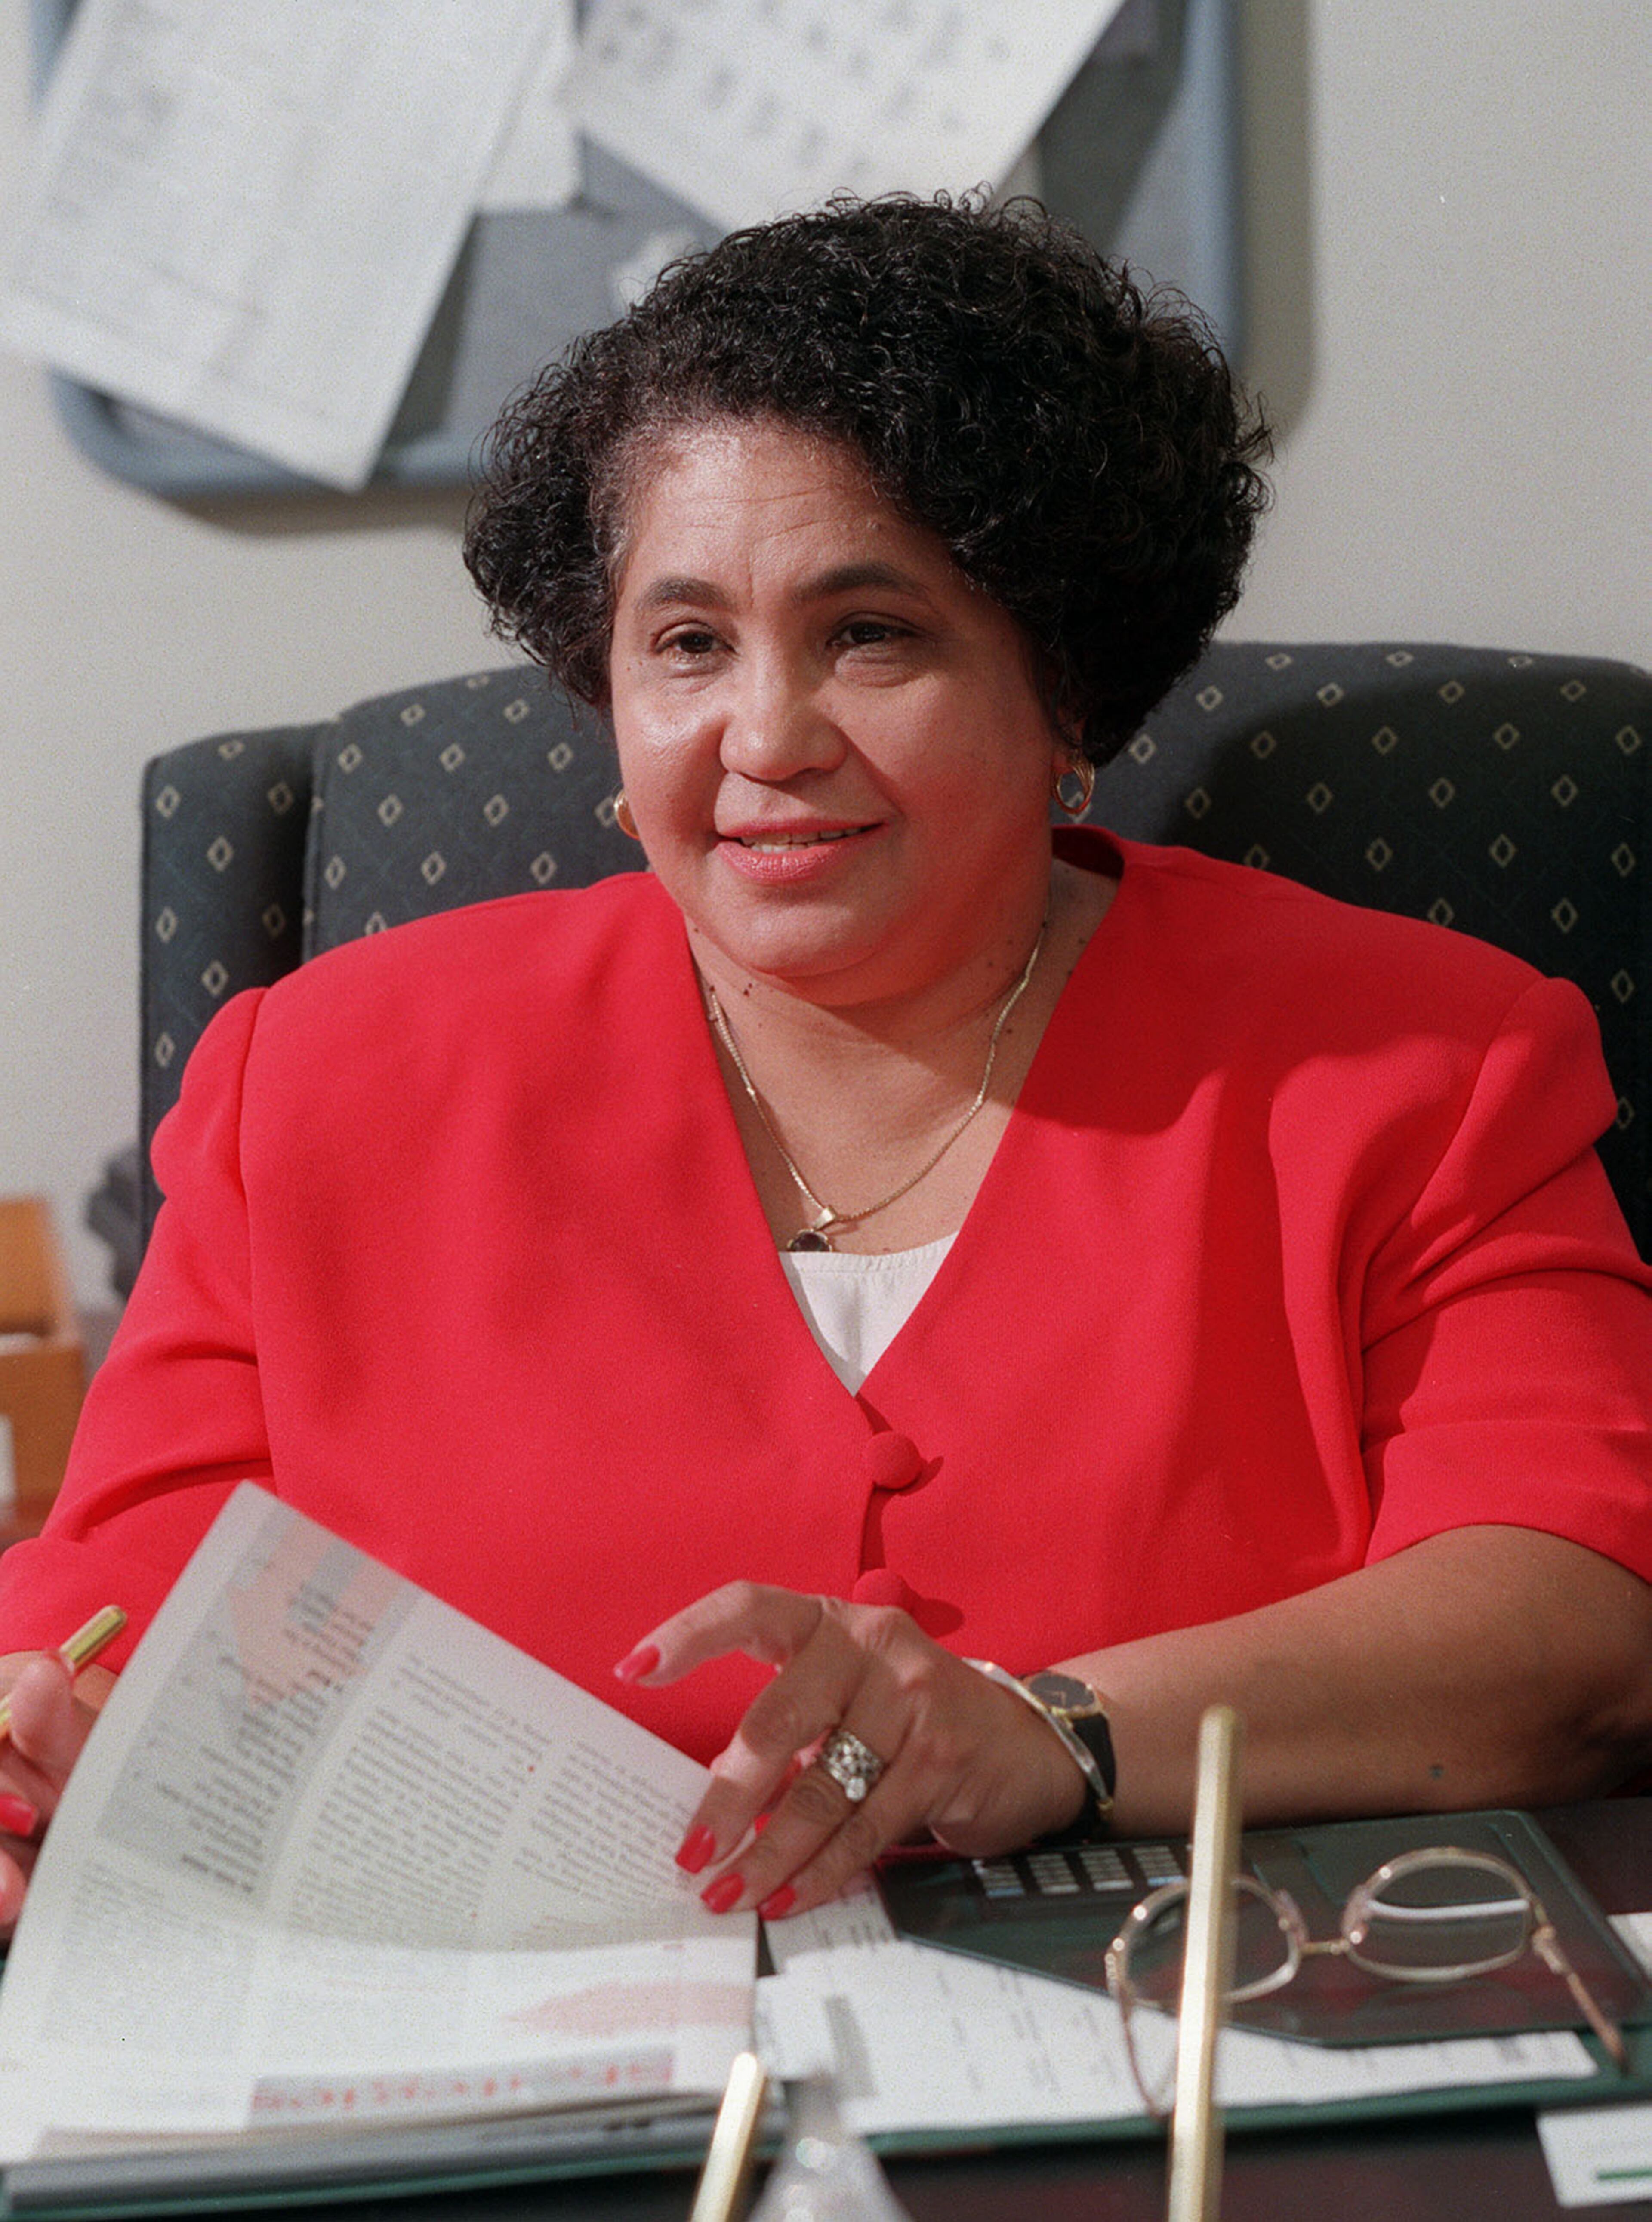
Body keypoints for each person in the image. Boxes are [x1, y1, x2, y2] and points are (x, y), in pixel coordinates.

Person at [3, 194, 1652, 1938]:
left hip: (1199, 2041)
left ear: (1068, 682)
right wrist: (39, 1732)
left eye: (872, 631)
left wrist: (1056, 1726)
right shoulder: (320, 1081)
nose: (769, 738)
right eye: (689, 642)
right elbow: (120, 1624)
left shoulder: (1422, 1063)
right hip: (517, 2073)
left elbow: (1568, 1632)